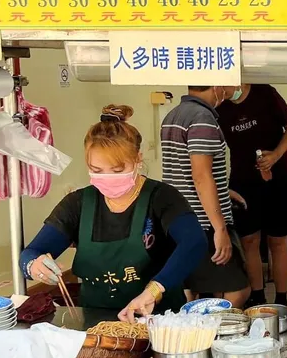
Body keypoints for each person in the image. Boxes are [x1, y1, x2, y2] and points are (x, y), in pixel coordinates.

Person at [19, 105, 207, 322]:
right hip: (95, 325)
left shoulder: (161, 197)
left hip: (159, 323)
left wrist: (153, 291)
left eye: (117, 170)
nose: (107, 177)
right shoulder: (78, 204)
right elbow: (31, 252)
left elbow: (194, 242)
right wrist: (34, 265)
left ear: (138, 159)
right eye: (97, 171)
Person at [161, 86, 251, 308]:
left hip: (177, 218)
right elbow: (201, 175)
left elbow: (183, 170)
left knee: (189, 291)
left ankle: (192, 338)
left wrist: (222, 190)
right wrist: (219, 229)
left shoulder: (173, 115)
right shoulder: (202, 118)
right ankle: (215, 338)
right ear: (217, 84)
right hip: (203, 223)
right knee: (237, 291)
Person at [217, 84, 287, 308]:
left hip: (276, 178)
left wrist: (277, 155)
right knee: (249, 241)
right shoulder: (219, 106)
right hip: (242, 182)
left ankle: (281, 299)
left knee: (278, 241)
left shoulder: (265, 93)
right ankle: (258, 297)